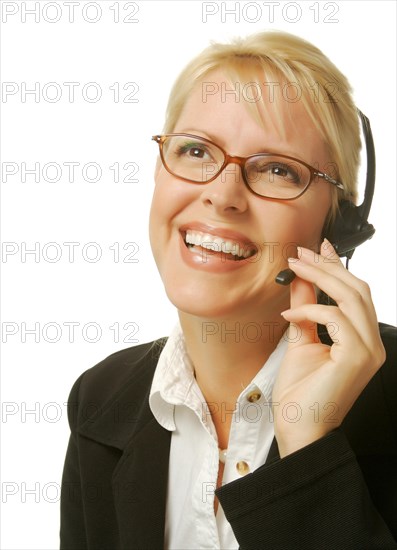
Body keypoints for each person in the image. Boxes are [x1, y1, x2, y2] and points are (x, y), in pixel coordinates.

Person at [60, 30, 397, 549]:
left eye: (279, 170)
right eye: (196, 150)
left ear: (339, 224)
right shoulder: (102, 400)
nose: (221, 196)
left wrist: (308, 450)